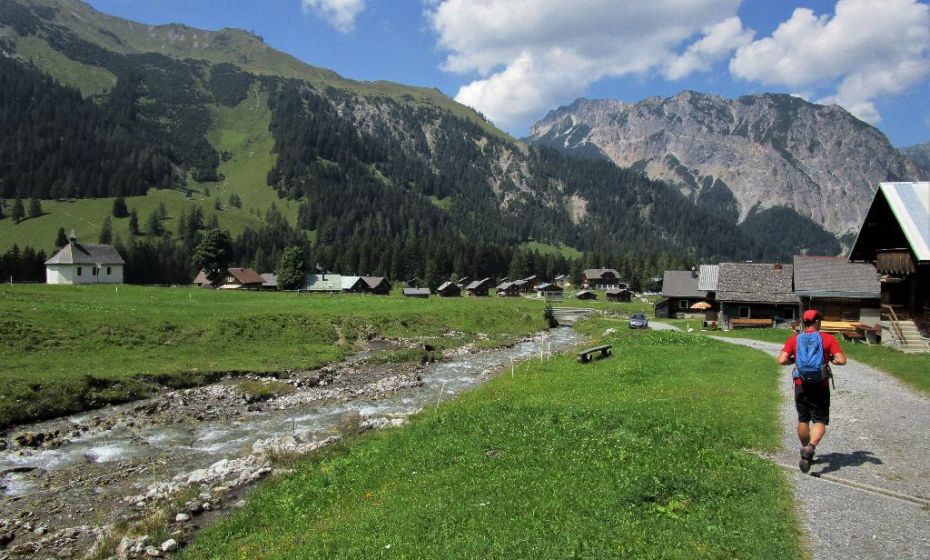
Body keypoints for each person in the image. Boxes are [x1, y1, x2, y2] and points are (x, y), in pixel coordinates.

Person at [777, 309, 847, 473]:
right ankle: (810, 447)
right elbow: (841, 360)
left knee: (803, 419)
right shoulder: (827, 339)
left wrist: (794, 360)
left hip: (801, 384)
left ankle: (805, 452)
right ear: (816, 322)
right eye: (819, 320)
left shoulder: (795, 339)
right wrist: (830, 359)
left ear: (804, 322)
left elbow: (781, 360)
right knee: (819, 421)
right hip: (820, 385)